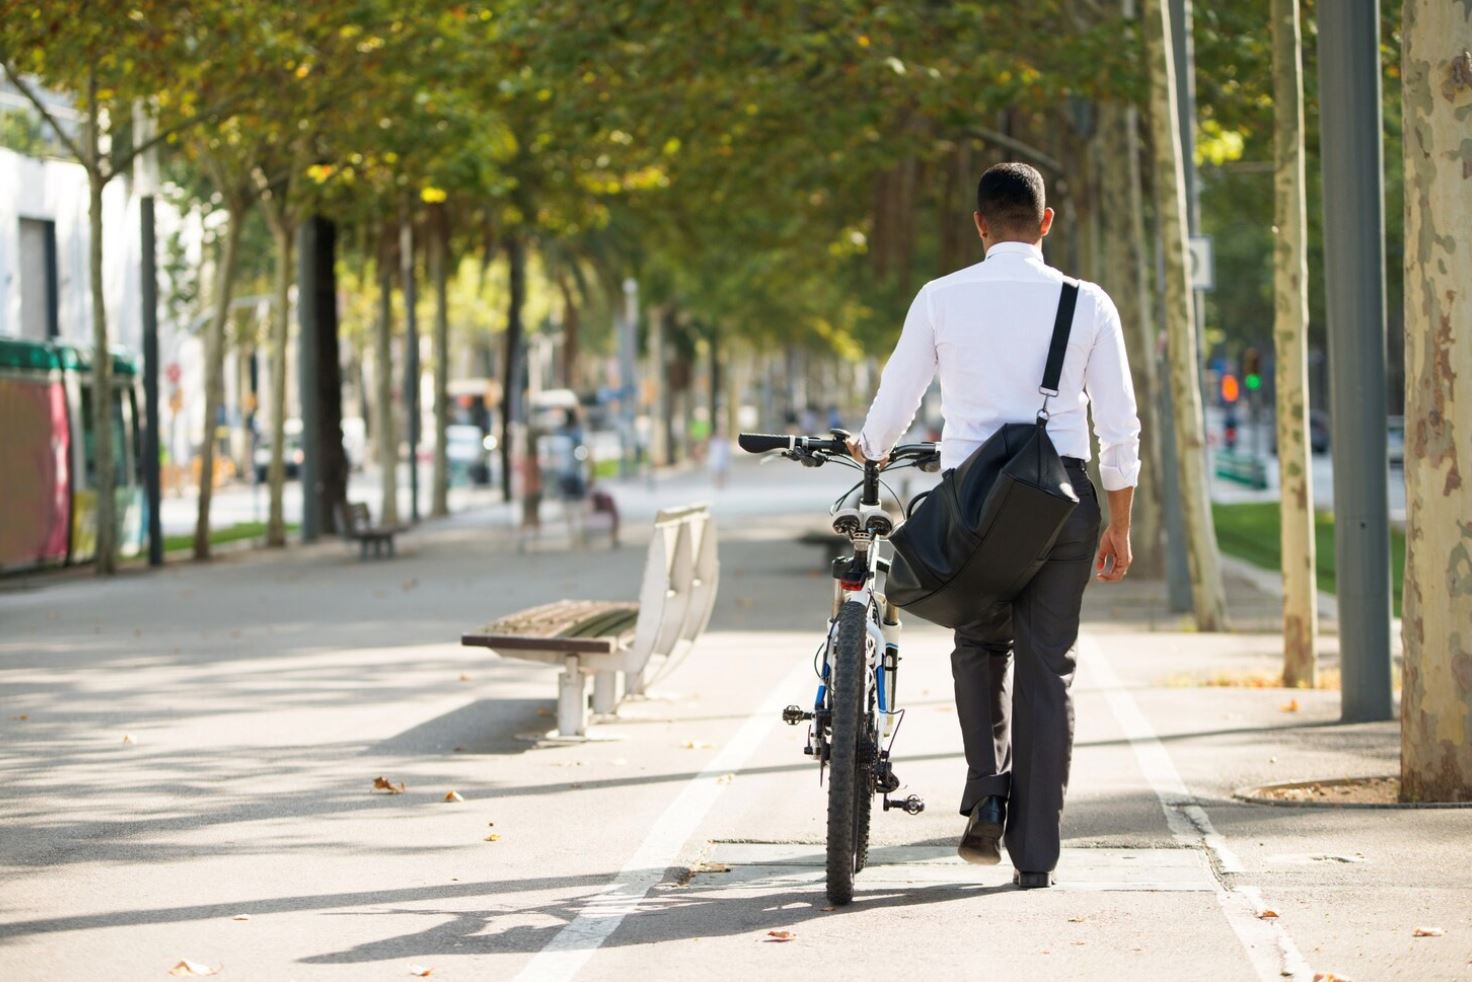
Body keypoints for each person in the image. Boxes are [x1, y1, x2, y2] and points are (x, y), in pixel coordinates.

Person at [848, 162, 1140, 889]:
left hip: (976, 501)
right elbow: (1121, 427)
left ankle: (986, 790)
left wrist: (871, 445)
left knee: (979, 643)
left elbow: (898, 398)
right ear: (1046, 223)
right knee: (1049, 670)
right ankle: (1035, 857)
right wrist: (1120, 526)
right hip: (1064, 501)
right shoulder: (1088, 302)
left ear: (979, 225)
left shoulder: (942, 298)